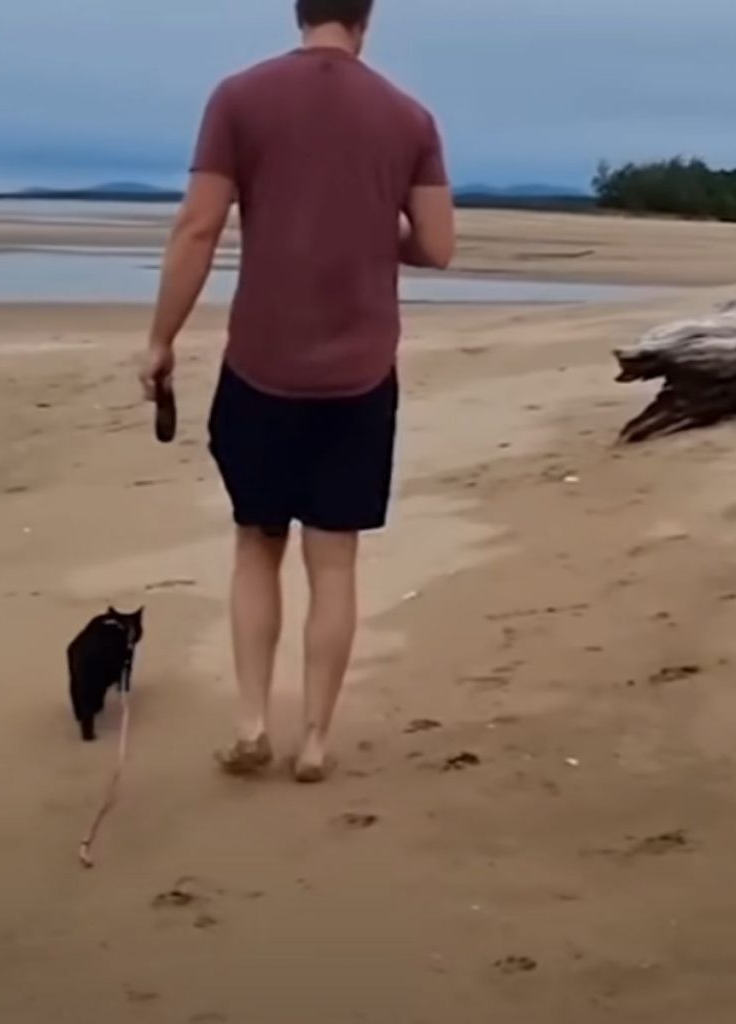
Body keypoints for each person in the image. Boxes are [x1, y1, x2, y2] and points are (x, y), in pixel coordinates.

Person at [140, 0, 455, 782]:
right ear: (366, 19)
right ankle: (314, 742)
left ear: (299, 13)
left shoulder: (238, 98)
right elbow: (439, 247)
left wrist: (161, 340)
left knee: (256, 543)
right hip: (360, 374)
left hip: (260, 370)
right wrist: (374, 230)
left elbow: (199, 230)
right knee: (335, 561)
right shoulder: (408, 116)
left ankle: (252, 725)